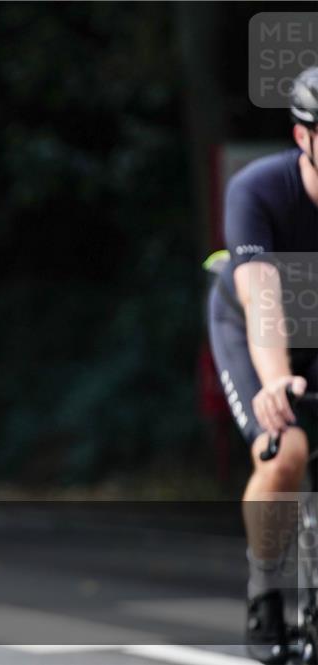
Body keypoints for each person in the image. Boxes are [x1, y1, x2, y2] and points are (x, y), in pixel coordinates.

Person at [207, 68, 318, 664]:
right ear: (305, 138)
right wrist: (276, 381)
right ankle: (267, 589)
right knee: (286, 449)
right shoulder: (260, 188)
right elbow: (261, 297)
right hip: (251, 325)